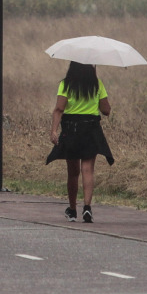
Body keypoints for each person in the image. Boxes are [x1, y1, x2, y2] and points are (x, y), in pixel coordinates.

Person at [45, 61, 115, 223]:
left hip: (71, 129)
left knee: (73, 172)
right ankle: (87, 208)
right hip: (91, 129)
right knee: (87, 169)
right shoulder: (97, 84)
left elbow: (59, 109)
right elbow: (106, 110)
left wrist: (54, 130)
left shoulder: (66, 84)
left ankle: (72, 209)